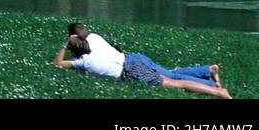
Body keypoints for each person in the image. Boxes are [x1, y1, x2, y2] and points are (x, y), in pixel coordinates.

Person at [53, 24, 229, 98]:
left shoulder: (82, 62)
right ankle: (208, 72)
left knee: (177, 83)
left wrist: (65, 45)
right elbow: (84, 36)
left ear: (71, 43)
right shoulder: (94, 37)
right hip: (133, 58)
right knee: (172, 74)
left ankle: (217, 92)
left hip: (130, 70)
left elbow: (58, 64)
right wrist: (74, 39)